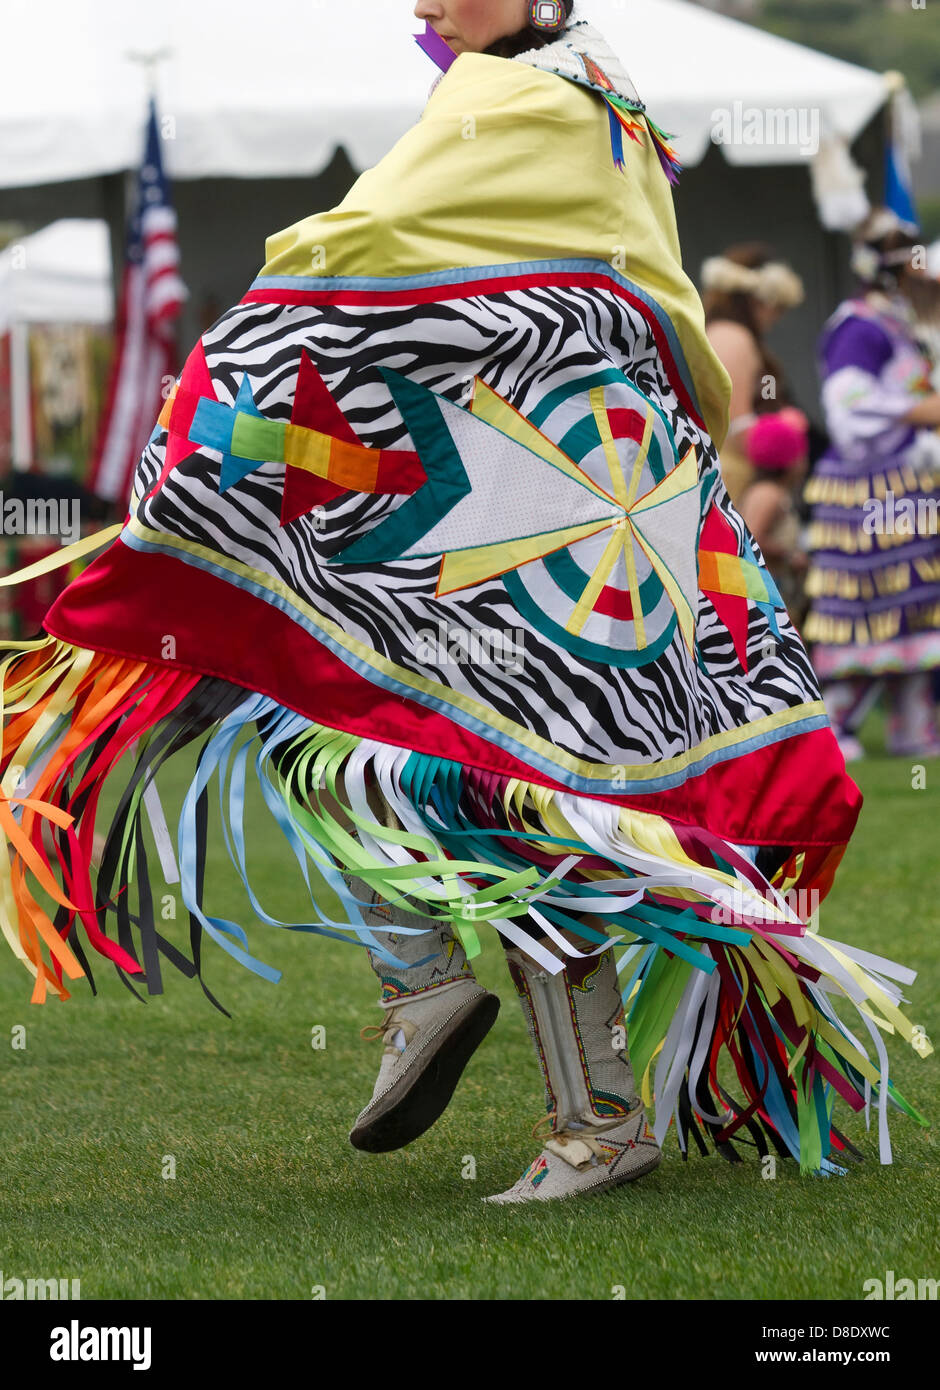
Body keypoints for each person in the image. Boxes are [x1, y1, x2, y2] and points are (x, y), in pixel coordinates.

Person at [0, 1, 928, 1205]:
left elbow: (354, 245)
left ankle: (569, 1097)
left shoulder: (515, 98)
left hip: (550, 516)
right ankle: (453, 1004)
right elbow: (550, 305)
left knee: (483, 779)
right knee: (425, 752)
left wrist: (240, 367)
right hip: (580, 509)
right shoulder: (604, 97)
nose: (423, 5)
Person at [804, 208, 940, 760]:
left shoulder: (898, 325)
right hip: (867, 495)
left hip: (906, 488)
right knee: (864, 609)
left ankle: (914, 727)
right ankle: (834, 727)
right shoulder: (858, 327)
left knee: (915, 604)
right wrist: (924, 409)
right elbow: (847, 407)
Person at [702, 244, 809, 511]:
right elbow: (737, 429)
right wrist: (788, 437)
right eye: (776, 306)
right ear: (757, 300)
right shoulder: (733, 338)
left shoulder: (724, 333)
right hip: (732, 483)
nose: (777, 316)